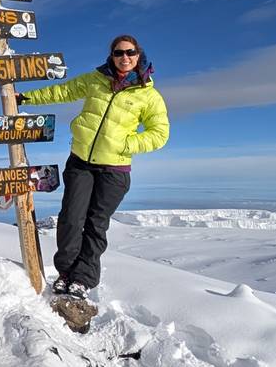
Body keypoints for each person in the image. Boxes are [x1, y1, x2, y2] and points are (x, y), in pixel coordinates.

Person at [17, 35, 169, 300]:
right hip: (81, 163)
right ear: (112, 55)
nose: (125, 58)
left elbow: (159, 134)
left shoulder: (149, 95)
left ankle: (83, 279)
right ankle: (65, 273)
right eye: (119, 53)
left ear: (138, 55)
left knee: (96, 224)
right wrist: (25, 98)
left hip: (115, 170)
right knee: (70, 218)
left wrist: (126, 144)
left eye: (130, 53)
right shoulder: (95, 80)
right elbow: (62, 91)